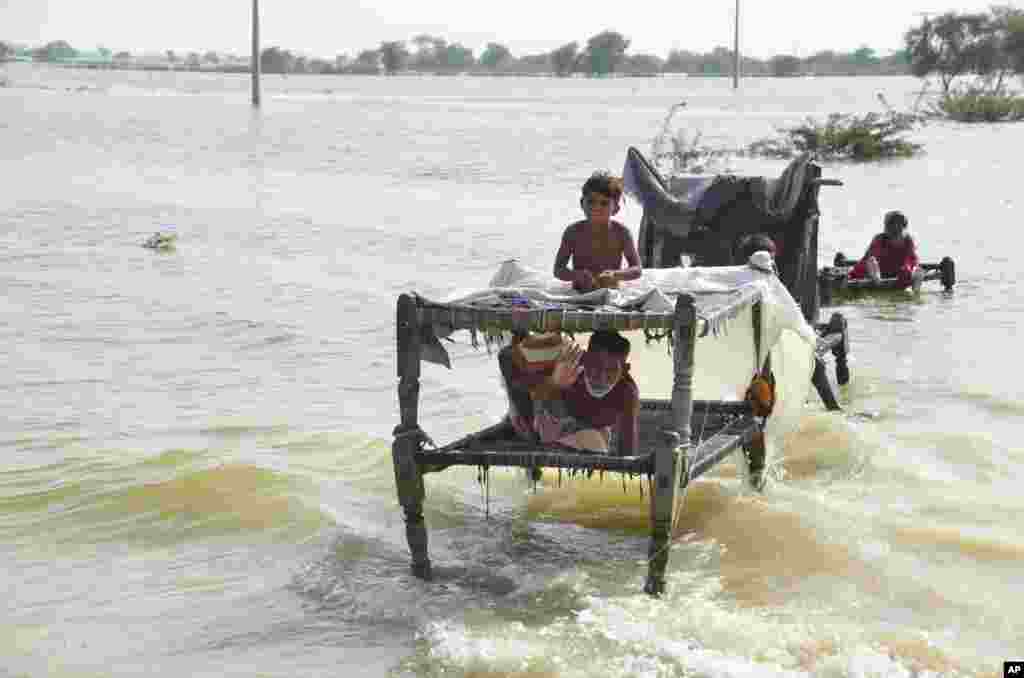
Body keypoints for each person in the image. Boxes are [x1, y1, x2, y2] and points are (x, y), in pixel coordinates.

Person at [499, 330, 640, 455]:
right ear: (584, 358)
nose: (601, 378)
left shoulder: (627, 392)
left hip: (588, 436)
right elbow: (505, 357)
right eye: (595, 365)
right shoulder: (567, 358)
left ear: (624, 370)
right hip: (544, 422)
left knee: (594, 442)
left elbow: (627, 450)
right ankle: (519, 430)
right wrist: (552, 383)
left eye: (611, 370)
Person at [553, 172, 643, 292]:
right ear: (582, 203)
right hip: (579, 293)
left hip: (610, 293)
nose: (597, 207)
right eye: (591, 201)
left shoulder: (621, 233)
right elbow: (558, 269)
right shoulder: (573, 232)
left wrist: (616, 275)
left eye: (604, 203)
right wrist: (576, 275)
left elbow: (637, 269)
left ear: (615, 209)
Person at [848, 211, 922, 288]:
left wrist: (908, 270)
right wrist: (851, 275)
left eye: (900, 224)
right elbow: (868, 261)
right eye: (893, 224)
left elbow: (912, 260)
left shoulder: (908, 241)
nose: (896, 227)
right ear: (888, 227)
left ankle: (915, 291)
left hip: (899, 273)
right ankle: (878, 283)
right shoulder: (880, 239)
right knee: (871, 261)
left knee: (917, 270)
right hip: (877, 273)